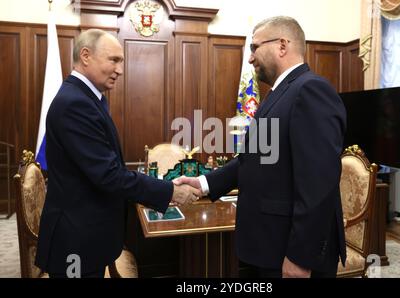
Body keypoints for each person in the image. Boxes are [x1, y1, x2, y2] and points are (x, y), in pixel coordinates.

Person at [174, 16, 347, 278]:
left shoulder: (311, 90)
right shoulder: (277, 94)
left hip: (293, 253)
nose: (251, 58)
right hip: (269, 244)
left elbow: (318, 185)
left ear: (282, 45)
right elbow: (254, 158)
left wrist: (300, 258)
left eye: (254, 48)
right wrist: (204, 184)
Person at [35, 29, 201, 278]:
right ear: (86, 56)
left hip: (86, 234)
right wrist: (171, 192)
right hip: (75, 240)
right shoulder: (75, 103)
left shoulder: (87, 98)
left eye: (121, 61)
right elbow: (109, 175)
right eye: (113, 60)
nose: (120, 69)